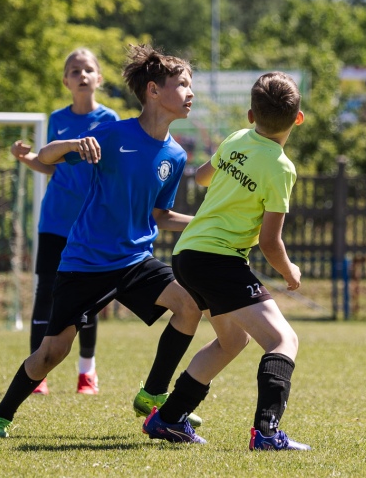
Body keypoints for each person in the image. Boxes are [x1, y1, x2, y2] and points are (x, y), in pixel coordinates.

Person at [0, 45, 204, 438]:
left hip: (135, 259)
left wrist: (205, 221)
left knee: (188, 307)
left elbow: (160, 215)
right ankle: (0, 415)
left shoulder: (176, 154)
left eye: (190, 85)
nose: (190, 92)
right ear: (153, 90)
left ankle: (152, 395)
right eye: (182, 84)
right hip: (85, 262)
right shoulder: (115, 134)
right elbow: (46, 157)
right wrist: (72, 145)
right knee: (52, 353)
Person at [143, 71, 310, 450]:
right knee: (283, 340)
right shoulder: (281, 167)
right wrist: (290, 271)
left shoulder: (237, 138)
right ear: (298, 118)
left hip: (187, 253)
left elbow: (202, 177)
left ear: (251, 115)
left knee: (232, 341)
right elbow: (270, 242)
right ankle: (267, 434)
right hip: (219, 260)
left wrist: (232, 171)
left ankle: (168, 419)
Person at [10, 48, 118, 395]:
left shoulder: (110, 120)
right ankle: (36, 371)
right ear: (66, 81)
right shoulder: (58, 118)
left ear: (99, 78)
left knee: (87, 298)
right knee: (45, 294)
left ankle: (87, 373)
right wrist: (27, 158)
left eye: (88, 69)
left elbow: (113, 170)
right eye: (74, 70)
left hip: (90, 224)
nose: (82, 75)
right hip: (55, 220)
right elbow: (51, 164)